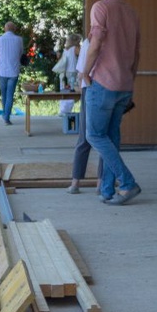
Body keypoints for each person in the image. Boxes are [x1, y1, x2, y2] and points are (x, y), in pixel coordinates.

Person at [78, 0, 141, 205]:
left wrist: (84, 72)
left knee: (94, 135)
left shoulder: (100, 7)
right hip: (124, 84)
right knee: (111, 137)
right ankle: (107, 190)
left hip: (103, 82)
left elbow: (96, 43)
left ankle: (127, 182)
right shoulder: (132, 13)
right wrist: (131, 79)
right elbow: (136, 53)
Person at [66, 33, 94, 193]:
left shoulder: (90, 42)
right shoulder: (115, 38)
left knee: (85, 137)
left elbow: (82, 72)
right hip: (108, 88)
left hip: (91, 88)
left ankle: (75, 183)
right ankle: (102, 184)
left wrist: (86, 83)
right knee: (106, 139)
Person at [52, 34, 82, 133]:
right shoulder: (76, 49)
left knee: (65, 90)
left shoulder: (66, 49)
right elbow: (83, 57)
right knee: (72, 91)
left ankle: (63, 110)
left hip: (65, 73)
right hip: (73, 72)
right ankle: (66, 111)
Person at [0, 21, 23, 124]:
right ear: (14, 29)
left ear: (5, 28)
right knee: (10, 95)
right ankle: (6, 116)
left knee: (4, 95)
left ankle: (5, 114)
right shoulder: (19, 39)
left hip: (2, 70)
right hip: (13, 71)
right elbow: (20, 53)